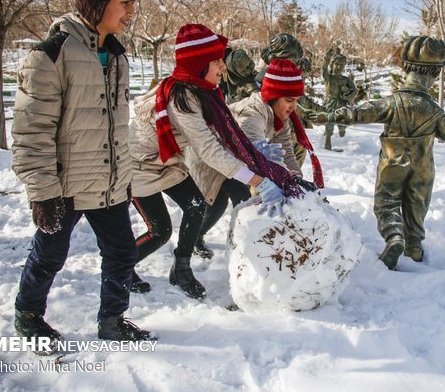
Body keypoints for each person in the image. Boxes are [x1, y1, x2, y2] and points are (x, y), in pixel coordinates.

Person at [11, 0, 155, 348]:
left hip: (108, 183)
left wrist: (123, 179)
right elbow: (32, 131)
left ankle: (111, 321)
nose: (130, 12)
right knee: (50, 255)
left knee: (122, 253)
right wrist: (43, 193)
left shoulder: (119, 56)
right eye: (124, 2)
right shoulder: (52, 54)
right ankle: (28, 316)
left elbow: (115, 127)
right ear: (96, 2)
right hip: (64, 185)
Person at [152, 24, 304, 267]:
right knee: (238, 202)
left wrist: (294, 174)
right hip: (210, 160)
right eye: (289, 100)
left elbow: (284, 148)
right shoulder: (250, 113)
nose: (294, 107)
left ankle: (205, 243)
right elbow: (248, 150)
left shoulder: (278, 116)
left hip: (228, 159)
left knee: (219, 203)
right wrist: (264, 175)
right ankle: (238, 253)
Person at [334, 35, 445, 270]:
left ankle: (394, 237)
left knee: (386, 203)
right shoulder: (434, 110)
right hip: (423, 168)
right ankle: (414, 248)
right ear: (433, 74)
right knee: (416, 207)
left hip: (392, 164)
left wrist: (344, 114)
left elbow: (365, 111)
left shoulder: (393, 103)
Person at [128, 86, 208, 298]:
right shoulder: (180, 96)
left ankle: (181, 270)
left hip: (168, 161)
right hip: (139, 166)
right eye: (216, 61)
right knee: (160, 231)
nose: (222, 66)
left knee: (196, 206)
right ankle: (122, 268)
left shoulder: (210, 94)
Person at [229, 59, 324, 189]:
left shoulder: (280, 118)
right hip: (212, 163)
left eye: (296, 100)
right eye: (289, 100)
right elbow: (256, 152)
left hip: (235, 167)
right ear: (272, 97)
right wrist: (285, 178)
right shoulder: (253, 113)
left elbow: (285, 153)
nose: (294, 107)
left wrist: (297, 179)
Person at [322, 48, 358, 150]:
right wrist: (327, 58)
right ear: (332, 65)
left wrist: (346, 96)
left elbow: (354, 91)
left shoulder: (345, 80)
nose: (339, 67)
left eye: (342, 65)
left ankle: (342, 129)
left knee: (342, 122)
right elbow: (323, 69)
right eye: (337, 64)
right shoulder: (328, 78)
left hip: (341, 104)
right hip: (329, 103)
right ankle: (328, 140)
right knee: (329, 121)